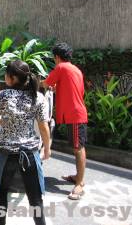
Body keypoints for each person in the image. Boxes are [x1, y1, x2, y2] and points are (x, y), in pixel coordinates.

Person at [0, 60, 51, 225]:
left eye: (6, 74)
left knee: (0, 195)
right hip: (30, 154)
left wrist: (5, 121)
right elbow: (43, 126)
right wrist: (47, 149)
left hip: (6, 154)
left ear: (12, 78)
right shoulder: (38, 97)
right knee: (36, 199)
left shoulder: (2, 96)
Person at [42, 42, 87, 200]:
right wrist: (57, 88)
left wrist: (34, 83)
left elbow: (45, 84)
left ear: (57, 57)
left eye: (54, 58)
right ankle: (77, 177)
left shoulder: (61, 67)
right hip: (76, 113)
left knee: (78, 148)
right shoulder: (75, 69)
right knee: (78, 146)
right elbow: (72, 89)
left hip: (74, 115)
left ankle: (80, 184)